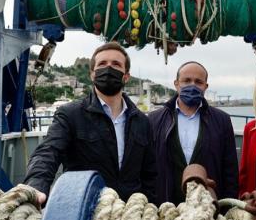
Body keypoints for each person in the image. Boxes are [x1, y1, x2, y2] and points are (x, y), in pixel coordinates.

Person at [23, 42, 156, 204]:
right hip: (83, 210)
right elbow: (48, 152)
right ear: (92, 75)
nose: (108, 68)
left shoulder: (142, 122)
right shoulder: (70, 114)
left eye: (116, 64)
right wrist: (36, 186)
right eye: (102, 64)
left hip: (129, 214)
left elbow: (150, 174)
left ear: (126, 76)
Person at [149, 61, 238, 204]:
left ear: (205, 86)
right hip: (166, 205)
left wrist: (227, 207)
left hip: (207, 207)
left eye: (198, 82)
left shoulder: (222, 121)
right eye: (186, 81)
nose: (192, 85)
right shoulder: (154, 120)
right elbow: (148, 168)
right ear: (176, 84)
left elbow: (230, 172)